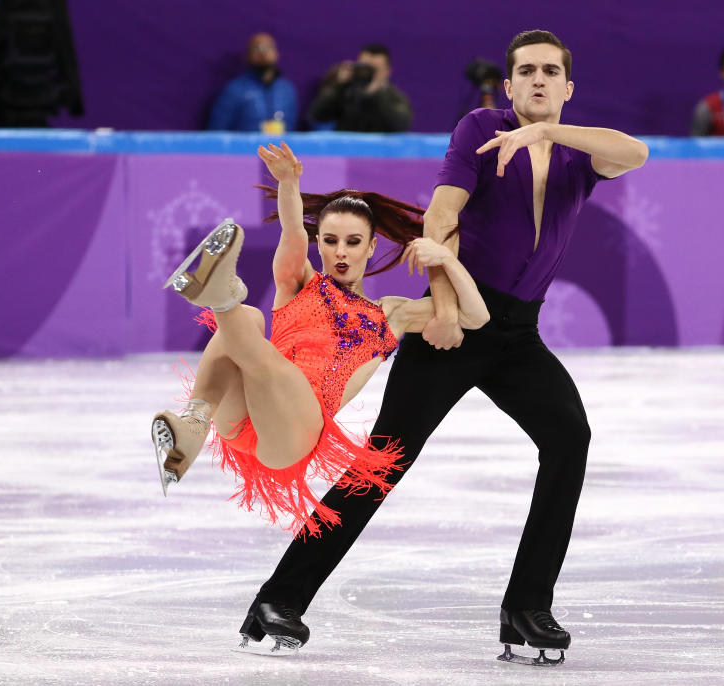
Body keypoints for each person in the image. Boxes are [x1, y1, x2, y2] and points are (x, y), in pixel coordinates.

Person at [245, 30, 648, 665]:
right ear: (509, 85)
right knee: (384, 461)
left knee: (568, 438)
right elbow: (439, 219)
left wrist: (546, 134)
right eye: (526, 71)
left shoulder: (576, 153)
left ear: (568, 89)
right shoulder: (481, 129)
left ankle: (526, 606)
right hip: (455, 323)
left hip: (518, 334)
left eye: (550, 72)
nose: (537, 80)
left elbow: (637, 152)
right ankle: (279, 600)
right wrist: (445, 308)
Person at [151, 140, 489, 544]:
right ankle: (193, 424)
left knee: (262, 349)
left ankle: (222, 296)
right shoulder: (299, 283)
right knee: (252, 319)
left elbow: (475, 317)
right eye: (330, 241)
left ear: (372, 246)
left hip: (292, 434)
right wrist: (289, 183)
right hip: (241, 419)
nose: (341, 252)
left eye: (352, 242)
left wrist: (448, 260)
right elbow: (293, 230)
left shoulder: (392, 313)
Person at [307, 43, 412, 132]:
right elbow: (316, 116)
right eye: (365, 68)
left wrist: (376, 95)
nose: (369, 73)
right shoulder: (346, 92)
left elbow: (401, 125)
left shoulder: (394, 98)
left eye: (375, 69)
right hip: (346, 153)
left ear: (387, 72)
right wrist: (338, 86)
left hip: (381, 155)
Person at [207, 33, 298, 133]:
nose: (263, 53)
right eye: (257, 48)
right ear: (248, 55)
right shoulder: (235, 90)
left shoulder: (286, 89)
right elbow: (217, 131)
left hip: (278, 147)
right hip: (245, 147)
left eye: (268, 47)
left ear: (276, 53)